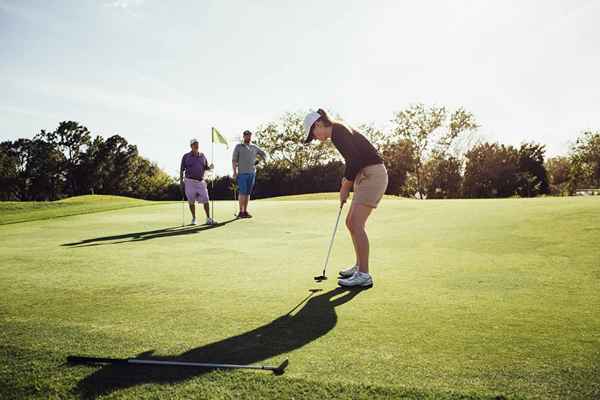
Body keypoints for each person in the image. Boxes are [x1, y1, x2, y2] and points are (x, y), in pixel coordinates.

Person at [303, 109, 388, 288]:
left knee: (356, 223)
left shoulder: (338, 130)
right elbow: (354, 160)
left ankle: (364, 274)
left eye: (313, 134)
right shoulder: (338, 131)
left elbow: (354, 160)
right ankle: (359, 266)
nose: (316, 138)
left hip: (372, 175)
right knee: (351, 222)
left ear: (318, 124)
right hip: (365, 175)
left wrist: (345, 186)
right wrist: (347, 182)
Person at [180, 138, 216, 225]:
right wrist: (181, 181)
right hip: (189, 181)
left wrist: (210, 167)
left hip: (200, 181)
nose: (196, 145)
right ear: (191, 146)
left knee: (206, 199)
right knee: (191, 201)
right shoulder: (186, 156)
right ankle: (194, 218)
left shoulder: (202, 156)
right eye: (194, 144)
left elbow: (206, 167)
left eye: (197, 144)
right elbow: (181, 169)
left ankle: (208, 218)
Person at [232, 130, 267, 218]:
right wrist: (234, 172)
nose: (248, 137)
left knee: (247, 193)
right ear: (243, 136)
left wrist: (258, 161)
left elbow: (264, 154)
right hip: (242, 173)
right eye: (246, 135)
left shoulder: (254, 147)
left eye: (249, 135)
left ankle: (245, 211)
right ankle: (240, 212)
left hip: (252, 173)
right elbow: (234, 160)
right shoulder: (238, 147)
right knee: (242, 192)